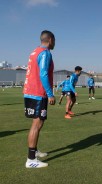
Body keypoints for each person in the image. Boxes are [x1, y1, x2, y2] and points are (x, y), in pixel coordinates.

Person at [23, 30, 56, 168]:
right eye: (54, 40)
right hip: (37, 93)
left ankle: (34, 151)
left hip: (30, 91)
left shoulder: (34, 52)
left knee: (39, 122)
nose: (55, 43)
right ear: (49, 40)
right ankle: (31, 160)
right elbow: (43, 74)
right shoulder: (45, 53)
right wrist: (50, 93)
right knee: (36, 125)